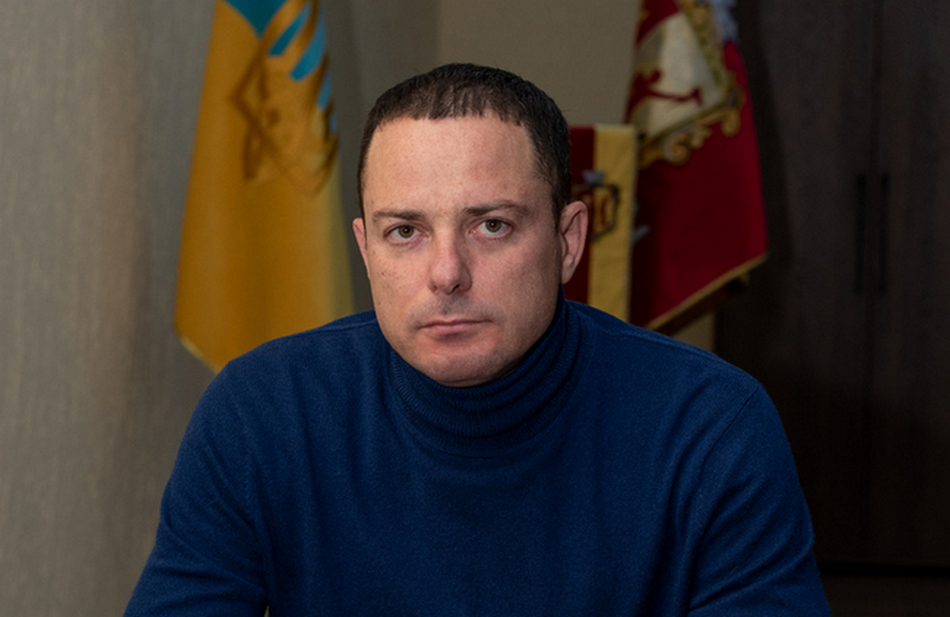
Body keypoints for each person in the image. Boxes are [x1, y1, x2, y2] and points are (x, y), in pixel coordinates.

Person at [126, 63, 830, 616]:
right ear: (366, 250)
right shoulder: (259, 413)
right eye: (406, 231)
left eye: (491, 225)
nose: (446, 273)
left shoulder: (712, 427)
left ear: (567, 240)